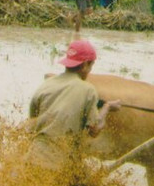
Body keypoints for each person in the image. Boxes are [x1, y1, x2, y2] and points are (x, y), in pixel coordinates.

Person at [26, 38, 121, 173]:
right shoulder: (88, 90)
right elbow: (94, 130)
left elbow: (33, 119)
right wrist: (107, 108)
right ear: (84, 65)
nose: (89, 71)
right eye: (91, 66)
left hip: (32, 158)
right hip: (59, 166)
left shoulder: (46, 84)